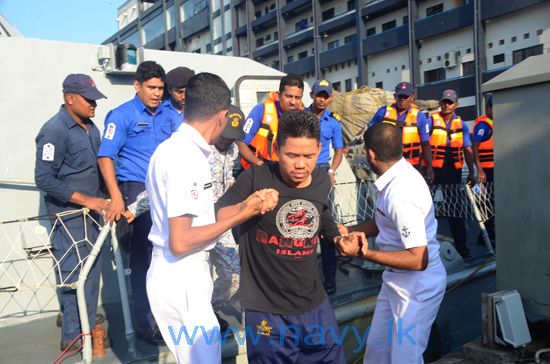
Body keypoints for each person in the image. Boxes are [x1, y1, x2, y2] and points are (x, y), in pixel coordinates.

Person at [145, 72, 278, 363]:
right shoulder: (187, 159)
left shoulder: (167, 149)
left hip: (175, 274)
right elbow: (181, 241)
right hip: (183, 274)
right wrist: (245, 212)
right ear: (221, 114)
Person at [216, 110, 346, 363]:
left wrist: (338, 236)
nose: (300, 164)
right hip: (266, 311)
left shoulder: (321, 180)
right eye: (291, 155)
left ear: (319, 149)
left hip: (315, 305)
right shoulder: (256, 177)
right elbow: (218, 215)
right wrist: (249, 206)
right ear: (276, 148)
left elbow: (322, 215)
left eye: (309, 156)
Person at [123, 105, 247, 328]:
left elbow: (227, 179)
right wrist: (133, 210)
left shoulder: (233, 151)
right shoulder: (196, 152)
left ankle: (214, 305)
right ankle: (205, 313)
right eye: (227, 136)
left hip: (219, 221)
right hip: (193, 221)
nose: (228, 142)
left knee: (234, 274)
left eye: (233, 139)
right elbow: (159, 188)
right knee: (201, 275)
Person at [336, 122, 447, 364]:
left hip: (416, 287)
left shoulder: (400, 194)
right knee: (377, 353)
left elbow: (419, 259)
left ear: (371, 154)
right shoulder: (396, 178)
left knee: (404, 359)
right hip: (396, 281)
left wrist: (363, 252)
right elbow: (381, 222)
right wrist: (348, 230)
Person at [97, 60, 174, 343]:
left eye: (160, 88)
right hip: (135, 189)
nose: (156, 93)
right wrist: (116, 196)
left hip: (168, 191)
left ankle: (167, 316)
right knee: (143, 259)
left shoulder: (170, 113)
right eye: (151, 88)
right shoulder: (121, 115)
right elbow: (106, 156)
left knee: (168, 255)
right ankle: (145, 324)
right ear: (137, 86)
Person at [34, 74, 110, 350]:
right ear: (70, 98)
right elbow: (44, 178)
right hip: (69, 218)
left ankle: (86, 324)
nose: (94, 105)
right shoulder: (54, 130)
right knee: (72, 276)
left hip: (94, 216)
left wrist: (110, 199)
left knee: (91, 275)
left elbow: (100, 169)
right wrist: (87, 200)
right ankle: (72, 336)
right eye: (89, 100)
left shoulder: (92, 128)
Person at [306, 79, 345, 295]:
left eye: (326, 95)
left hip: (321, 172)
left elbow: (338, 150)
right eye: (319, 94)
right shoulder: (300, 116)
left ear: (330, 98)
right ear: (312, 94)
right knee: (303, 223)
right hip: (303, 170)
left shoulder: (334, 122)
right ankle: (307, 279)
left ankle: (330, 278)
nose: (322, 99)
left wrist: (331, 171)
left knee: (325, 225)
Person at [428, 89, 476, 259]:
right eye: (444, 102)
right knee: (426, 208)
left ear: (456, 104)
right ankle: (425, 247)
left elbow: (468, 148)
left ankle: (462, 247)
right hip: (432, 171)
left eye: (450, 102)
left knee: (455, 208)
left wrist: (472, 171)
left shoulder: (461, 125)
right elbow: (423, 144)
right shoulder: (431, 121)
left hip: (452, 171)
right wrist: (425, 168)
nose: (446, 105)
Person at [369, 82, 434, 182]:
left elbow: (425, 144)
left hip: (412, 166)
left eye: (406, 96)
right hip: (388, 165)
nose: (402, 99)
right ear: (395, 96)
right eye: (400, 96)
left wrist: (429, 167)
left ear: (412, 97)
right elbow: (370, 134)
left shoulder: (419, 117)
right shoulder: (382, 113)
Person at [237, 74, 304, 169]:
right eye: (289, 96)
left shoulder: (304, 118)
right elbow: (241, 143)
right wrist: (260, 165)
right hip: (260, 169)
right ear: (279, 95)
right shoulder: (261, 110)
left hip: (288, 171)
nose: (293, 102)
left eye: (297, 98)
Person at [472, 95, 495, 245]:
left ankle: (491, 234)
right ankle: (485, 236)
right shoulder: (484, 126)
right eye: (493, 107)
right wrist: (479, 169)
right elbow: (475, 146)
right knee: (488, 204)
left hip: (496, 170)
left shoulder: (495, 123)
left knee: (493, 203)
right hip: (487, 172)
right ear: (488, 108)